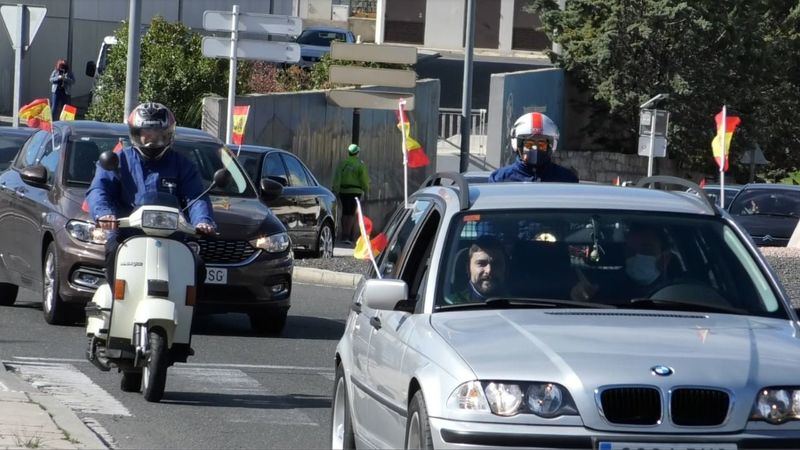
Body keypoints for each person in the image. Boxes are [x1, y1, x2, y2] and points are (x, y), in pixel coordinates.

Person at [86, 102, 216, 290]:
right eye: (147, 134)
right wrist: (104, 213)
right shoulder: (119, 160)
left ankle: (188, 312)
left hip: (172, 236)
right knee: (113, 257)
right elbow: (99, 189)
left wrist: (203, 221)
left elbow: (196, 196)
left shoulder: (183, 165)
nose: (152, 141)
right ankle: (116, 304)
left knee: (197, 266)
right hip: (127, 234)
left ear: (169, 135)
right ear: (135, 134)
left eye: (160, 136)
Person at [571, 224, 675, 303]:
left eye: (646, 250)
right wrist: (580, 298)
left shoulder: (682, 290)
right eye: (630, 251)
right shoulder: (606, 287)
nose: (637, 256)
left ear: (666, 257)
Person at [489, 112, 578, 183]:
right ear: (518, 146)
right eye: (529, 144)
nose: (535, 148)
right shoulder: (500, 178)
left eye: (541, 144)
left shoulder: (566, 179)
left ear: (550, 147)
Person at [446, 237, 508, 304]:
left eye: (496, 264)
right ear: (468, 269)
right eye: (481, 263)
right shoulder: (451, 304)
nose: (489, 270)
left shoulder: (518, 302)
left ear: (505, 268)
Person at [332, 144, 370, 245]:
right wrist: (366, 191)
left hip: (343, 191)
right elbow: (364, 180)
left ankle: (344, 235)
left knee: (345, 213)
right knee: (352, 214)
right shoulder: (360, 164)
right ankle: (348, 236)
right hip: (355, 192)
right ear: (357, 153)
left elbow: (337, 178)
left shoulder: (343, 164)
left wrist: (335, 190)